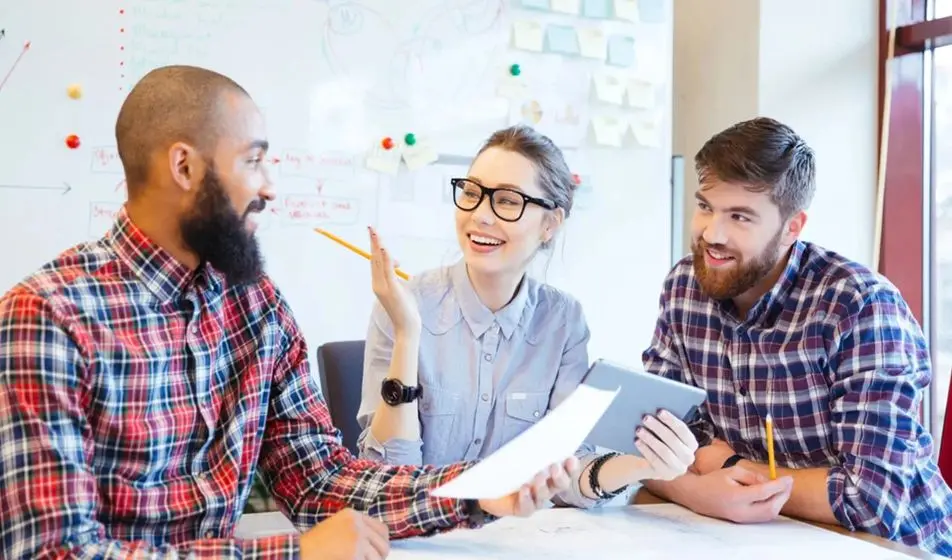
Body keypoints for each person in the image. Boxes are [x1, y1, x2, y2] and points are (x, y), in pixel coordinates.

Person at [0, 65, 580, 560]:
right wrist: (293, 553)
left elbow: (319, 481)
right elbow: (57, 551)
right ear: (184, 168)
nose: (270, 187)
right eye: (254, 162)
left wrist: (477, 493)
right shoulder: (47, 317)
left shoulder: (256, 305)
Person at [639, 116, 952, 555]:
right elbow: (651, 441)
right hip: (749, 538)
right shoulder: (685, 285)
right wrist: (703, 487)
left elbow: (872, 501)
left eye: (740, 217)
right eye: (706, 206)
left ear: (793, 227)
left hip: (888, 547)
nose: (713, 234)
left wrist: (726, 465)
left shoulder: (859, 306)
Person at [355, 124, 699, 508]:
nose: (480, 216)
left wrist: (642, 465)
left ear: (550, 224)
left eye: (506, 201)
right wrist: (407, 333)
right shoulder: (405, 304)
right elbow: (388, 482)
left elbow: (565, 475)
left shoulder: (563, 322)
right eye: (471, 193)